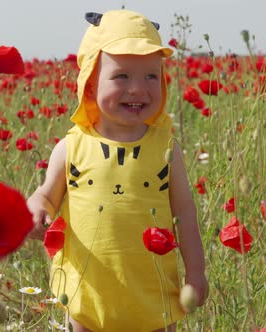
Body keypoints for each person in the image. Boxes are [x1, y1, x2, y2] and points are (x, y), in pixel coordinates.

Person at [27, 9, 208, 332]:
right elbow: (46, 193)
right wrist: (37, 208)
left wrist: (195, 273)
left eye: (151, 76)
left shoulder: (167, 149)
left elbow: (184, 213)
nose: (138, 89)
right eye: (122, 76)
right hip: (87, 294)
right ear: (91, 84)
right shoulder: (71, 146)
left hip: (153, 296)